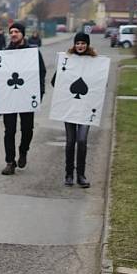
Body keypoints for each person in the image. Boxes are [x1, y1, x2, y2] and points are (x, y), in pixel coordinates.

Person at [0, 22, 46, 175]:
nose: (13, 34)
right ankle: (10, 161)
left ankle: (23, 150)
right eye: (11, 31)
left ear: (23, 34)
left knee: (27, 129)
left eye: (17, 31)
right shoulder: (4, 53)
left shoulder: (33, 53)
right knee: (9, 130)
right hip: (9, 98)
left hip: (26, 96)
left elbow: (41, 73)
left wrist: (39, 93)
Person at [51, 32, 96, 188]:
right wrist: (62, 75)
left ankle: (81, 175)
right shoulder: (67, 61)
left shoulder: (95, 63)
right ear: (74, 44)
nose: (80, 46)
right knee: (70, 142)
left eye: (83, 43)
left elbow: (99, 86)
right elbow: (54, 82)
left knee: (82, 141)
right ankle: (69, 174)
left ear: (87, 45)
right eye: (78, 43)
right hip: (69, 108)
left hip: (85, 108)